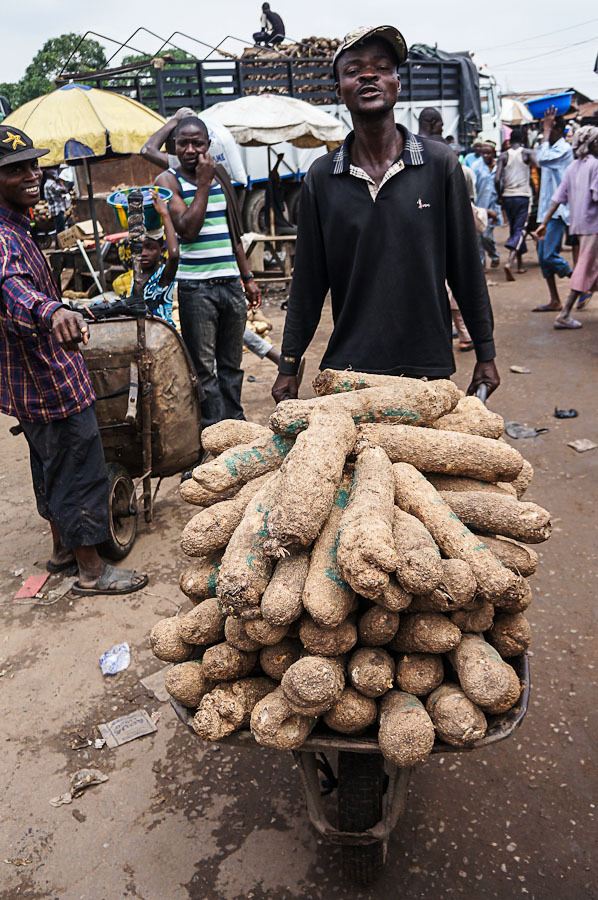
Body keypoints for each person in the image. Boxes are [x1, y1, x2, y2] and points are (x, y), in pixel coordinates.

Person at [271, 26, 500, 405]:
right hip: (350, 370)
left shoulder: (439, 164)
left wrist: (486, 353)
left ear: (397, 82)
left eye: (381, 67)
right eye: (354, 70)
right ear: (339, 89)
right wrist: (289, 364)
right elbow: (308, 284)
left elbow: (466, 269)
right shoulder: (322, 177)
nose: (368, 75)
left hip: (428, 365)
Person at [0, 125, 147, 596]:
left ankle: (63, 552)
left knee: (50, 465)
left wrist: (64, 303)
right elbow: (12, 288)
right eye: (14, 169)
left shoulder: (18, 226)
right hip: (48, 378)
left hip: (30, 381)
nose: (31, 174)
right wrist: (52, 310)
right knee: (80, 470)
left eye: (31, 163)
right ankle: (91, 571)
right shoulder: (3, 237)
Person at [154, 117, 261, 427]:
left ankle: (236, 425)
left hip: (230, 284)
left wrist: (248, 277)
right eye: (183, 143)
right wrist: (203, 183)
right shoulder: (168, 181)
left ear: (207, 145)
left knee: (232, 364)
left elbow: (233, 232)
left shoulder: (221, 175)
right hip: (196, 289)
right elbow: (187, 229)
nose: (190, 149)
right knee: (204, 369)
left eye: (197, 143)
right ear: (173, 147)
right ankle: (214, 430)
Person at [534, 125, 598, 329]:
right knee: (584, 267)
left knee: (590, 267)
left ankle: (565, 311)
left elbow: (557, 199)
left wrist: (544, 223)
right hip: (593, 225)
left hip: (580, 225)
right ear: (593, 143)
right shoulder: (595, 165)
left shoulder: (573, 167)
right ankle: (564, 313)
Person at [532, 108, 574, 312]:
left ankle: (579, 281)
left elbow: (541, 159)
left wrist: (546, 132)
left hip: (557, 212)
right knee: (542, 258)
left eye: (547, 127)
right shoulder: (550, 147)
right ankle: (555, 299)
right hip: (545, 210)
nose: (543, 131)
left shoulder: (563, 149)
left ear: (556, 128)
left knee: (549, 255)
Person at [127, 190, 179, 326]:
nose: (144, 253)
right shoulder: (136, 276)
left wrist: (165, 214)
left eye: (150, 248)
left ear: (161, 251)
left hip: (161, 333)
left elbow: (174, 255)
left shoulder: (163, 276)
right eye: (140, 248)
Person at [495, 128, 536, 281]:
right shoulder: (527, 153)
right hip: (522, 196)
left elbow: (496, 179)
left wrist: (500, 196)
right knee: (521, 229)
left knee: (514, 229)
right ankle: (510, 262)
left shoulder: (504, 155)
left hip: (507, 197)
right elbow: (538, 166)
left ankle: (520, 265)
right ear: (522, 139)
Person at [472, 142, 501, 269]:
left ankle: (494, 255)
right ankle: (482, 263)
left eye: (488, 153)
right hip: (480, 207)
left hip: (494, 206)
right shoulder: (476, 167)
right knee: (479, 237)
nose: (485, 155)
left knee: (487, 235)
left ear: (493, 153)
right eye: (483, 153)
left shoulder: (498, 166)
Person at [43, 167, 71, 247]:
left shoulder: (46, 184)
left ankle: (58, 246)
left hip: (53, 210)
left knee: (59, 228)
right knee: (60, 229)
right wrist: (62, 184)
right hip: (57, 209)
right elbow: (62, 190)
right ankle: (59, 246)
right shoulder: (51, 183)